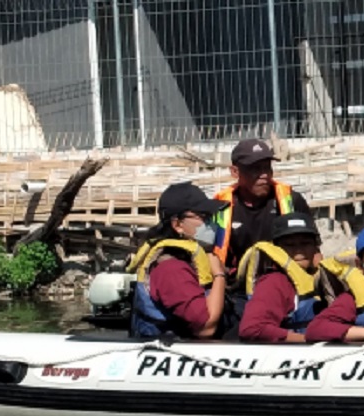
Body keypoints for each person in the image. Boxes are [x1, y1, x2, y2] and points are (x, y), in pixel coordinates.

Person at [128, 182, 231, 339]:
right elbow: (205, 327)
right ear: (177, 225)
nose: (211, 224)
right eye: (204, 217)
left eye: (211, 217)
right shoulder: (170, 268)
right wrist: (219, 275)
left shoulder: (190, 258)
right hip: (172, 350)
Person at [210, 138, 311, 274]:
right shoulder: (220, 208)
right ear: (235, 172)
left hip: (285, 280)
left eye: (267, 167)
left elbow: (313, 251)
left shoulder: (291, 200)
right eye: (255, 169)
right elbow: (211, 258)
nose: (264, 175)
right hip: (237, 288)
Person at [236, 212, 326, 343]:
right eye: (290, 245)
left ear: (315, 247)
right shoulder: (274, 282)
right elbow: (252, 328)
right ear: (277, 249)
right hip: (295, 356)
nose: (299, 250)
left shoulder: (321, 277)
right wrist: (307, 340)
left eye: (305, 243)